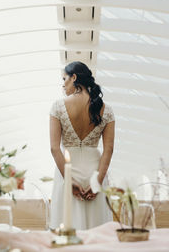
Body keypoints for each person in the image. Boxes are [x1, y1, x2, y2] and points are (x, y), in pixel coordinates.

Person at [49, 61, 115, 230]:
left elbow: (54, 148)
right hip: (95, 171)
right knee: (97, 227)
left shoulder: (58, 106)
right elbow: (108, 150)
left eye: (64, 79)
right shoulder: (106, 110)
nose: (63, 85)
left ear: (74, 78)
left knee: (66, 227)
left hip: (67, 170)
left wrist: (69, 180)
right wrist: (97, 181)